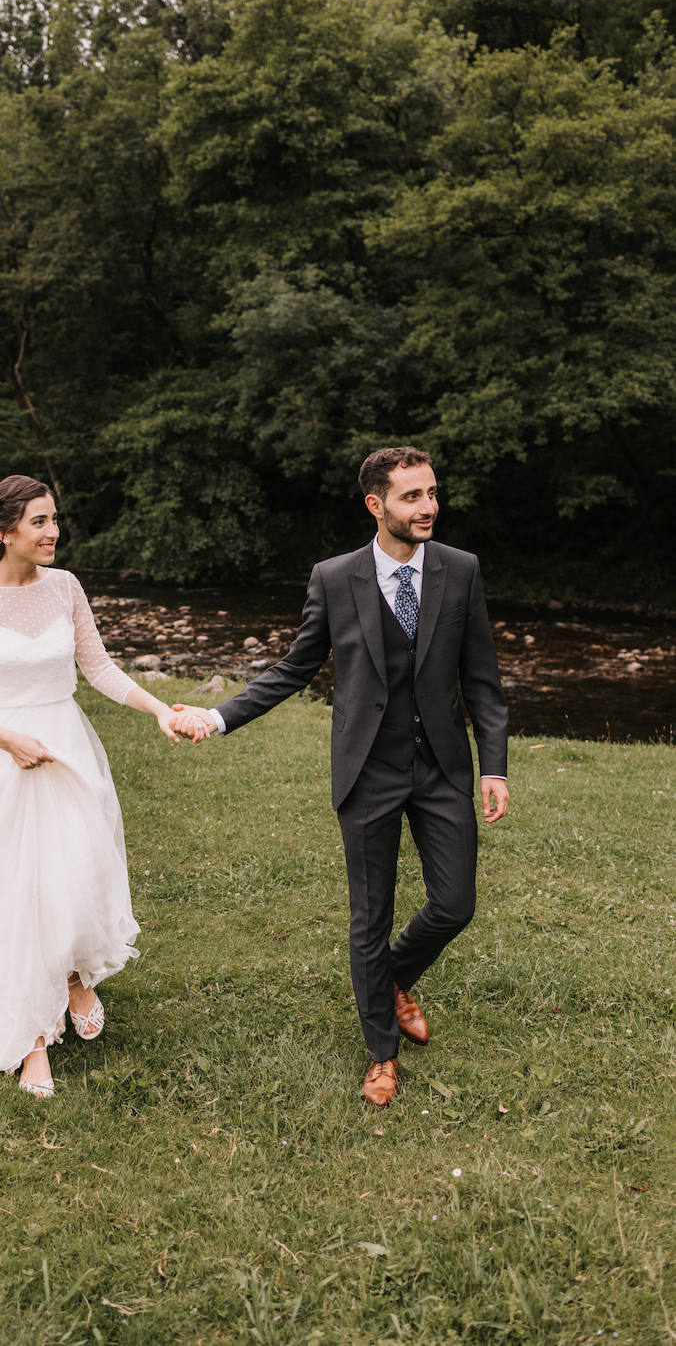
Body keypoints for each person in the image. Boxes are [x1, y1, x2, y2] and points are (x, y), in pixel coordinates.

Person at [173, 447, 508, 1107]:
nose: (429, 507)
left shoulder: (460, 571)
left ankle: (391, 979)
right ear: (375, 505)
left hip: (442, 768)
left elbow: (483, 680)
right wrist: (217, 715)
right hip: (367, 771)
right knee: (368, 916)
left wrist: (493, 764)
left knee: (454, 904)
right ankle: (381, 1053)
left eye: (433, 493)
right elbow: (295, 668)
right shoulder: (334, 578)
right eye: (412, 496)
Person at [0, 474, 190, 1099]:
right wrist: (9, 741)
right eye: (39, 523)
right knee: (13, 895)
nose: (53, 532)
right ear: (3, 532)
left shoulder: (67, 588)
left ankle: (76, 975)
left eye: (55, 519)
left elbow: (98, 666)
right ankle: (29, 1041)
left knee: (73, 874)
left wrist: (160, 709)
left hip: (67, 749)